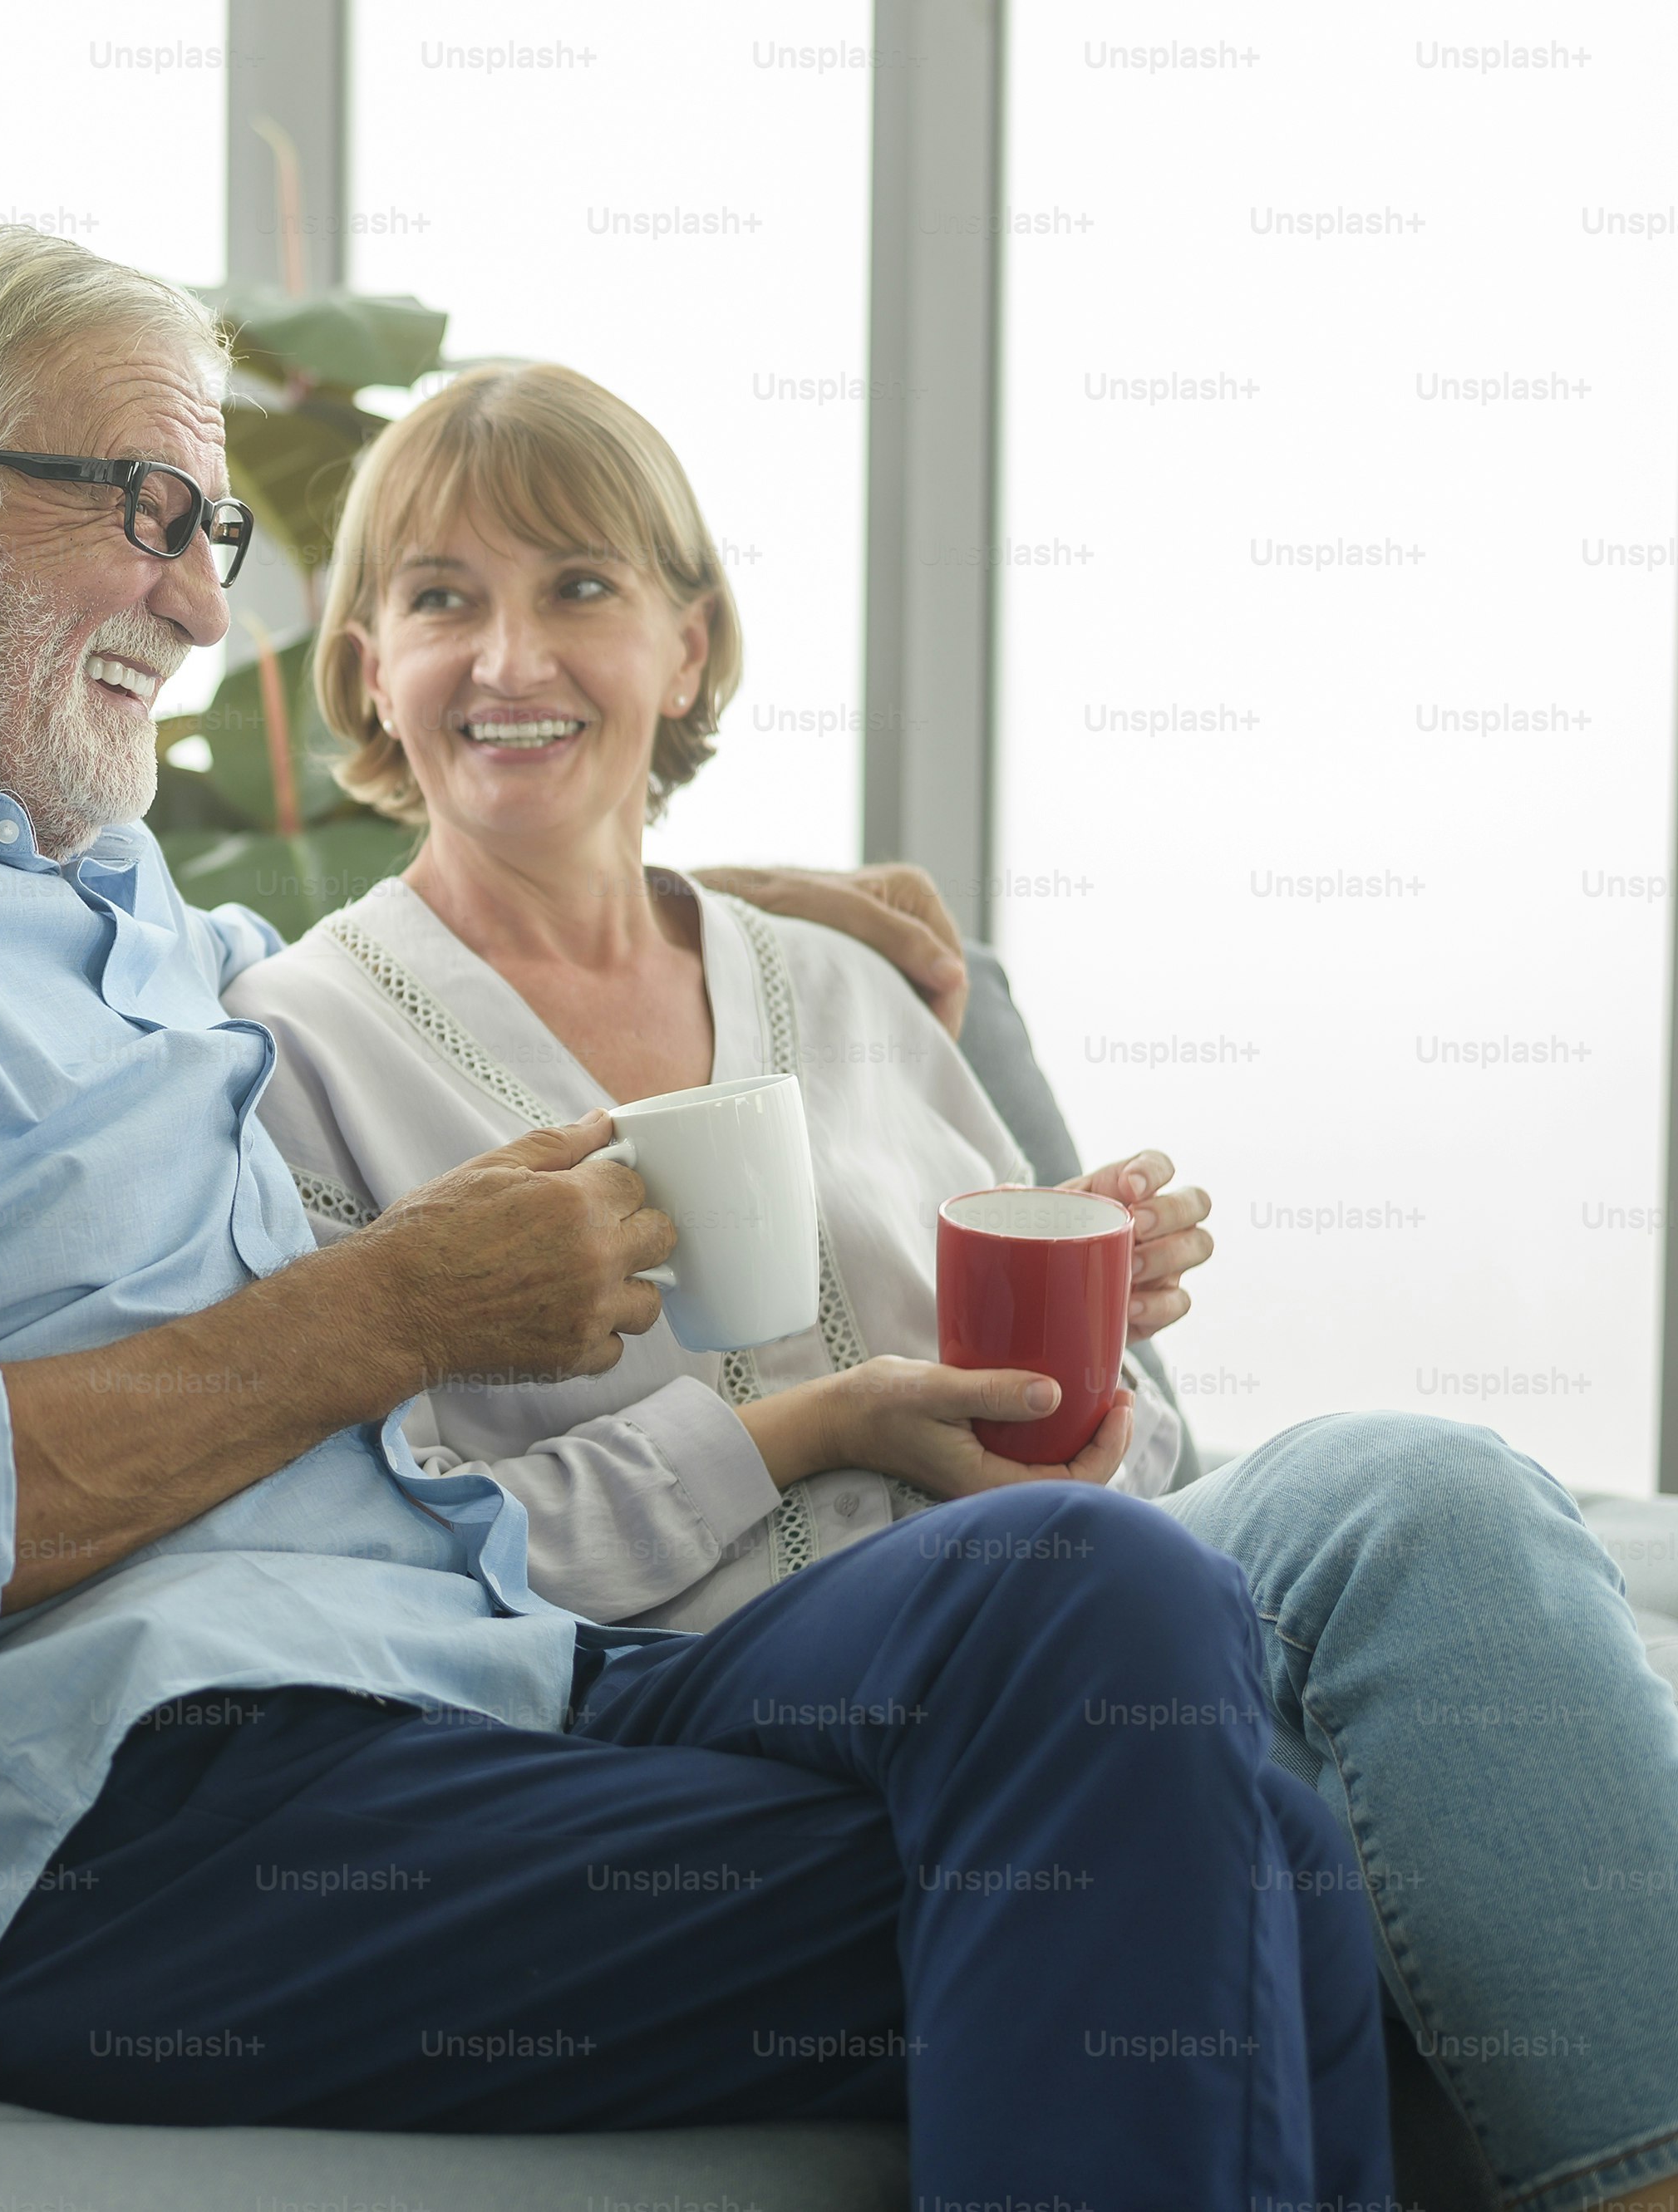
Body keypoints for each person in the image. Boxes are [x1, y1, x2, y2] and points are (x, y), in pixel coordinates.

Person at [0, 211, 1391, 2205]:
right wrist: (393, 1309)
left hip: (466, 1675)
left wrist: (739, 906)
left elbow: (449, 926)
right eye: (137, 506)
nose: (196, 609)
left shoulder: (106, 900)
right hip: (123, 1844)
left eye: (207, 531)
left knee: (1111, 1593)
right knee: (1203, 1829)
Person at [225, 356, 1678, 2212]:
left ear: (685, 643)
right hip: (678, 1673)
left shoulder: (833, 984)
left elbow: (1125, 1472)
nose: (508, 655)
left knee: (1435, 1487)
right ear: (363, 669)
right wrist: (794, 1433)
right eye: (440, 600)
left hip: (1067, 1619)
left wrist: (1092, 1367)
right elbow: (379, 1550)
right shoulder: (291, 1042)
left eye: (576, 586)